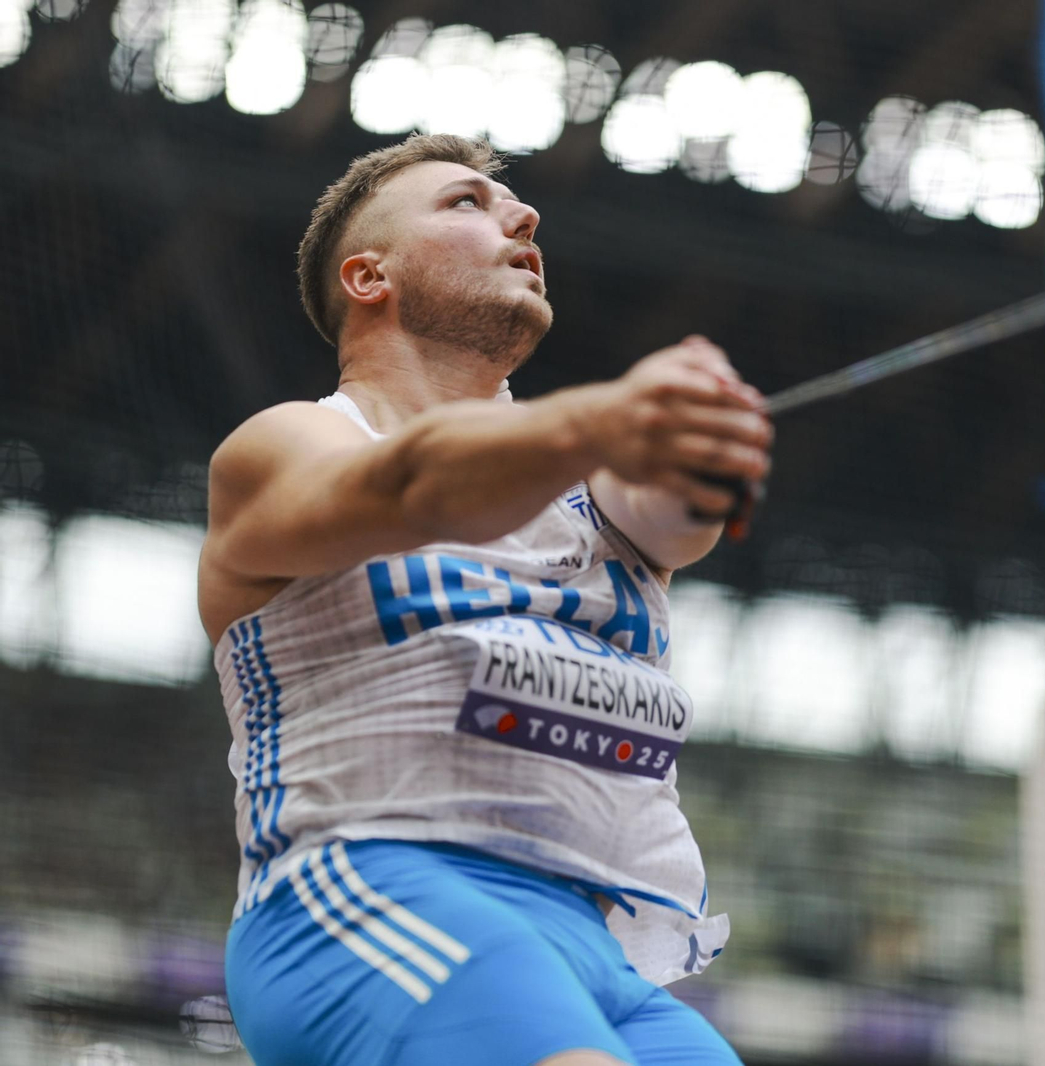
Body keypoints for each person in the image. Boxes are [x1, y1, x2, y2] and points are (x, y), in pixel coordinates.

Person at [196, 133, 772, 1066]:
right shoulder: (287, 446)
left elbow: (676, 515)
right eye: (464, 203)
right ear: (369, 277)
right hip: (368, 892)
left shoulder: (592, 491)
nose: (523, 215)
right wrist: (608, 416)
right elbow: (412, 490)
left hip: (596, 949)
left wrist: (700, 452)